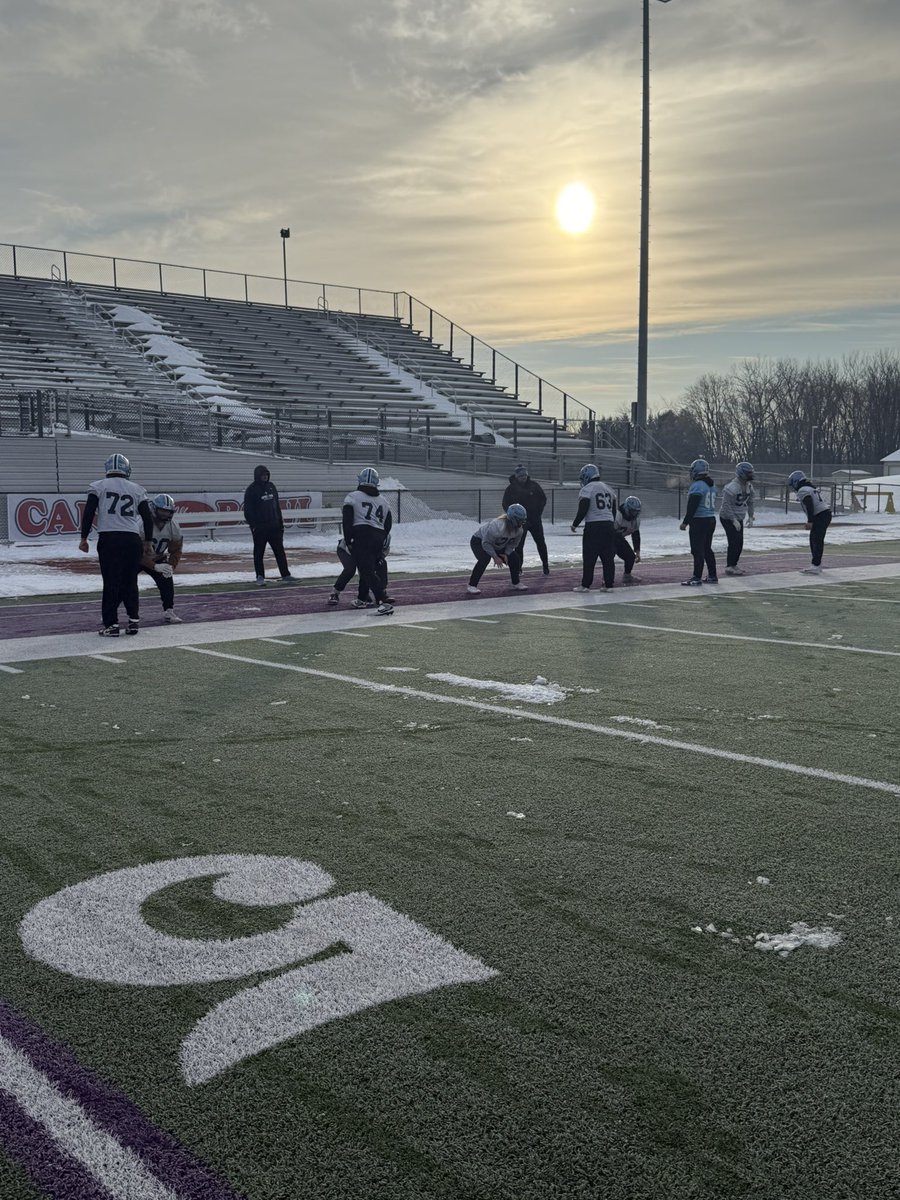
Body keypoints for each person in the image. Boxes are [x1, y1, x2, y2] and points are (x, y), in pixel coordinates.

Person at [78, 454, 154, 637]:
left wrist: (83, 538)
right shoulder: (137, 489)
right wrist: (149, 541)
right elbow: (147, 517)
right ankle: (134, 621)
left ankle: (111, 624)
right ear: (127, 469)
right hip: (132, 539)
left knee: (111, 582)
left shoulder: (98, 486)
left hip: (110, 538)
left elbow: (89, 513)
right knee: (130, 581)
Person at [342, 468, 394, 614]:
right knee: (367, 568)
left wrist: (349, 539)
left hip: (361, 535)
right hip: (377, 536)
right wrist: (381, 537)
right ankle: (362, 598)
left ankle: (382, 600)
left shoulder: (353, 497)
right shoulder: (383, 501)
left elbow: (347, 519)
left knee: (367, 571)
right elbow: (388, 523)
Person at [243, 465, 296, 587]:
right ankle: (260, 576)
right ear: (258, 476)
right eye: (262, 475)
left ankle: (285, 575)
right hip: (260, 528)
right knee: (259, 552)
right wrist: (254, 526)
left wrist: (280, 524)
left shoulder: (272, 486)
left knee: (280, 551)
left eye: (266, 475)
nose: (265, 477)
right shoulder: (251, 490)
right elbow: (248, 511)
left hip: (274, 526)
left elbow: (276, 507)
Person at [570, 464, 617, 592]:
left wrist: (575, 523)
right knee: (608, 558)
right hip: (608, 525)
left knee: (589, 557)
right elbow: (614, 509)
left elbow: (583, 508)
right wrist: (611, 523)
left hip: (594, 526)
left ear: (586, 476)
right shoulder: (608, 488)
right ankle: (609, 585)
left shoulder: (587, 489)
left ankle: (585, 585)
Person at [140, 494, 184, 623]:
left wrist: (171, 565)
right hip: (135, 557)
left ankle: (169, 611)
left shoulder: (173, 527)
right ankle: (111, 611)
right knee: (123, 583)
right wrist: (154, 566)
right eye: (162, 511)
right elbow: (135, 552)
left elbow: (176, 550)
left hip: (157, 557)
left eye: (168, 511)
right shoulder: (142, 523)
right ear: (154, 509)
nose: (165, 515)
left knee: (167, 580)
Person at [467, 505, 528, 593]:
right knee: (484, 558)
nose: (522, 522)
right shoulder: (496, 526)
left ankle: (516, 582)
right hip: (479, 541)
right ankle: (472, 585)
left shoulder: (519, 530)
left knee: (514, 558)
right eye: (520, 520)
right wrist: (495, 557)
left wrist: (506, 554)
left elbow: (514, 544)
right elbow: (486, 543)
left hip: (497, 543)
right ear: (513, 519)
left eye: (523, 520)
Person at [502, 464, 549, 575]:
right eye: (521, 476)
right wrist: (512, 516)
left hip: (535, 519)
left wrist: (538, 512)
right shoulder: (511, 489)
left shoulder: (534, 486)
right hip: (519, 522)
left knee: (540, 542)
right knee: (519, 545)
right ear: (517, 476)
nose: (523, 477)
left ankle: (545, 565)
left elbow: (543, 499)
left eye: (525, 475)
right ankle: (519, 568)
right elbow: (505, 504)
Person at [680, 459, 718, 586]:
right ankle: (712, 575)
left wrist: (685, 522)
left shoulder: (697, 486)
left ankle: (697, 577)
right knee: (707, 548)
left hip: (699, 520)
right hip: (711, 518)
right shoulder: (712, 485)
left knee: (697, 550)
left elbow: (693, 506)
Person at [328, 532, 391, 607]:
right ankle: (335, 593)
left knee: (382, 564)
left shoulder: (386, 537)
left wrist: (381, 557)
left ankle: (382, 592)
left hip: (365, 552)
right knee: (350, 569)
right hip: (346, 549)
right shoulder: (364, 535)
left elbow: (385, 549)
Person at [788, 470, 832, 574]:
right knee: (816, 540)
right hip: (824, 514)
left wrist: (810, 521)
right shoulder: (809, 488)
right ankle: (817, 564)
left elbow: (809, 504)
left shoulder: (803, 490)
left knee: (816, 540)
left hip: (820, 515)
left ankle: (816, 565)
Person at [719, 462, 755, 576]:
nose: (751, 475)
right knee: (734, 541)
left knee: (740, 542)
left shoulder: (749, 486)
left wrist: (750, 516)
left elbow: (751, 502)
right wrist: (733, 519)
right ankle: (730, 566)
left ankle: (734, 564)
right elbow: (725, 506)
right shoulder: (731, 487)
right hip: (727, 517)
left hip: (739, 517)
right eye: (748, 473)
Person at [614, 495, 642, 585]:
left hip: (620, 538)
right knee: (608, 558)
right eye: (632, 511)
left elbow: (636, 535)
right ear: (626, 508)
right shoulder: (617, 516)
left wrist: (637, 552)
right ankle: (606, 579)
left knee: (630, 557)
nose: (634, 514)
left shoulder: (636, 520)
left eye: (636, 512)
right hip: (608, 539)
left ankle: (627, 576)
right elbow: (610, 534)